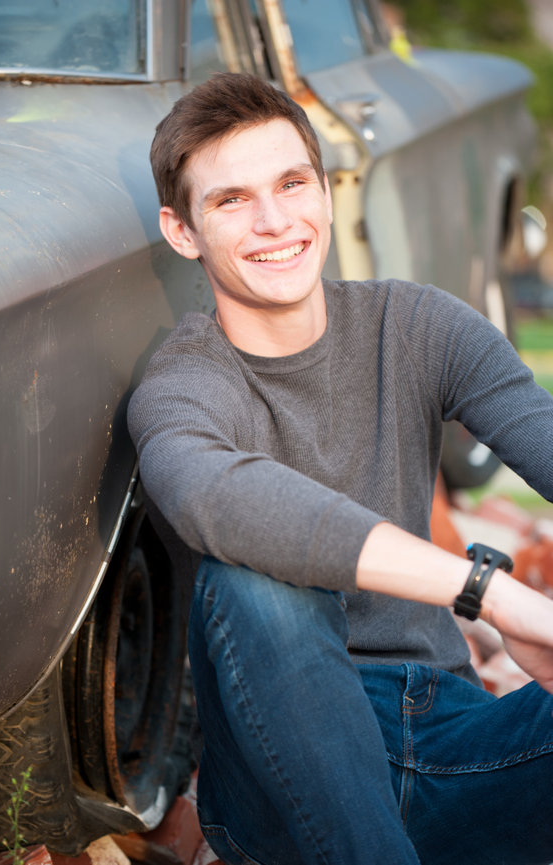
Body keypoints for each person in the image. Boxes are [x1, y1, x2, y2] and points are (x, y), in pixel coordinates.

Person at [128, 72, 553, 865]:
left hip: (457, 740)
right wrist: (491, 593)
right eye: (231, 200)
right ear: (182, 231)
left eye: (292, 183)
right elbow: (215, 495)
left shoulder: (417, 325)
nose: (274, 220)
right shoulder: (185, 383)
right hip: (279, 774)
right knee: (255, 578)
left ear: (325, 192)